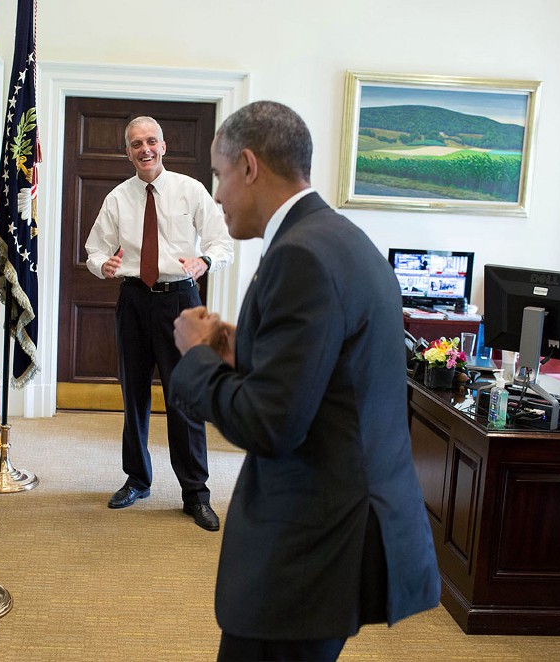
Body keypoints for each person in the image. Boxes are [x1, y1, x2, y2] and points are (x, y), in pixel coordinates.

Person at [168, 100, 440, 661]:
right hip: (344, 516)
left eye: (219, 175)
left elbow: (272, 423)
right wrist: (244, 346)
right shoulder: (339, 237)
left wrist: (197, 359)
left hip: (315, 540)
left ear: (248, 166)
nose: (216, 196)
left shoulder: (301, 257)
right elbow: (331, 369)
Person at [82, 116, 233, 530]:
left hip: (181, 301)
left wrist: (205, 260)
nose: (144, 149)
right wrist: (104, 266)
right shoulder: (117, 198)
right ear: (128, 151)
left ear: (163, 146)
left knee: (185, 397)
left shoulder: (190, 190)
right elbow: (93, 250)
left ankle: (196, 494)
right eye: (135, 144)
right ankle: (137, 479)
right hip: (133, 300)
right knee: (134, 395)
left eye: (150, 141)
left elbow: (222, 242)